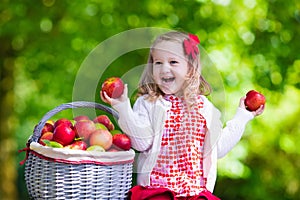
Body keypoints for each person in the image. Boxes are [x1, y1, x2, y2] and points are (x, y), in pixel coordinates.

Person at [101, 31, 264, 200]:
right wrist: (122, 107)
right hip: (158, 191)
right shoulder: (148, 103)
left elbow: (218, 149)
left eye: (173, 62)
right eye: (158, 62)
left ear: (190, 68)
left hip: (196, 193)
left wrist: (242, 116)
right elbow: (141, 143)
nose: (164, 68)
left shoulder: (204, 107)